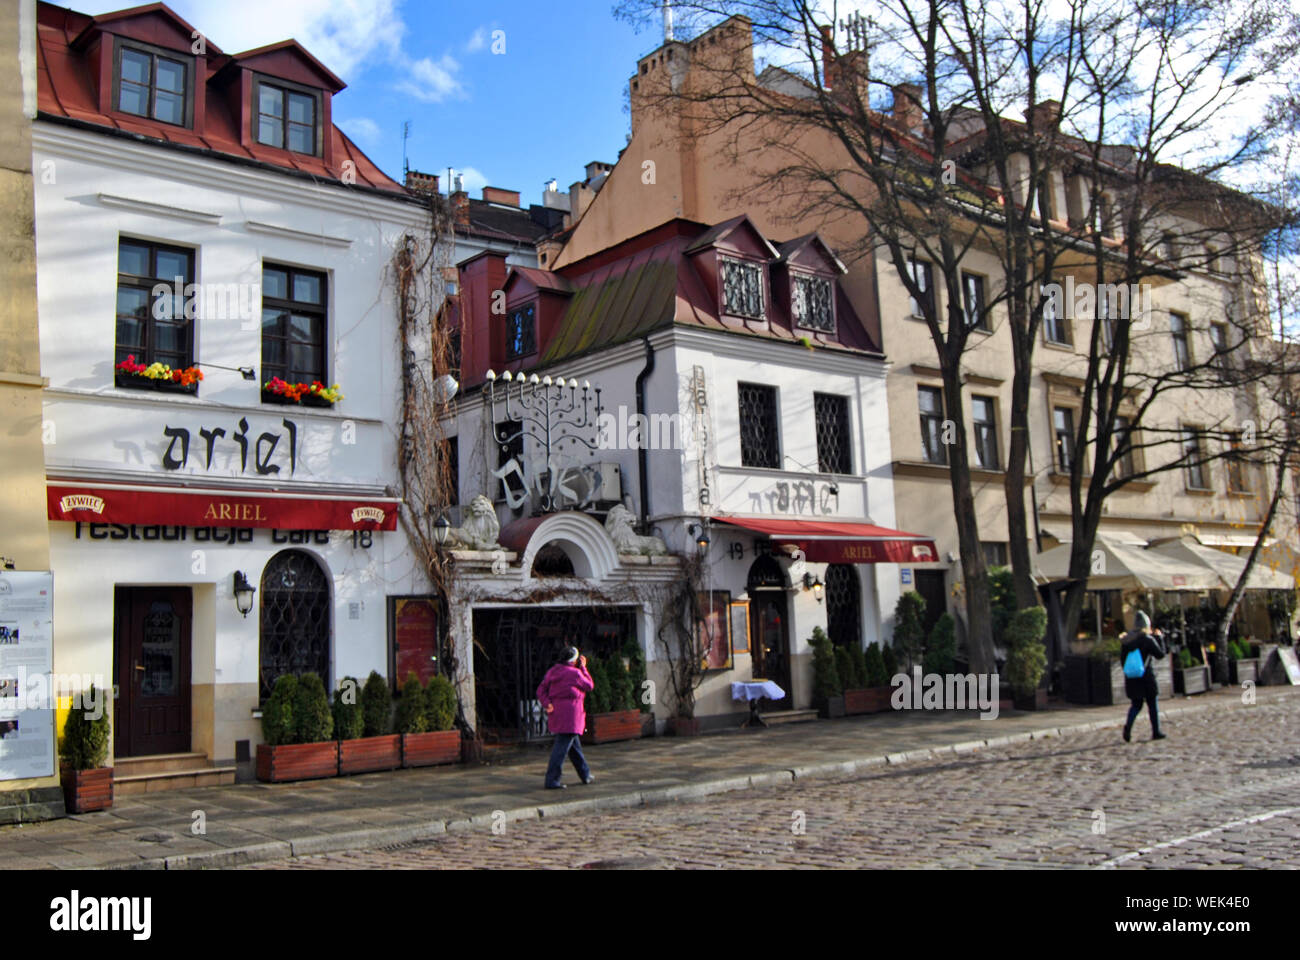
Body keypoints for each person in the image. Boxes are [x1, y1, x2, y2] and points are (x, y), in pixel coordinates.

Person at [536, 645, 595, 789]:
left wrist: (547, 703)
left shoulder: (553, 671)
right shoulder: (575, 673)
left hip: (557, 713)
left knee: (574, 747)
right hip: (572, 715)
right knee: (561, 749)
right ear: (574, 660)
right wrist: (584, 668)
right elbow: (589, 685)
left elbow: (541, 689)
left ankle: (585, 774)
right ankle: (552, 780)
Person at [1120, 611, 1167, 742]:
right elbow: (1160, 654)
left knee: (1136, 705)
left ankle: (1128, 728)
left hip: (1132, 676)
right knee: (1152, 704)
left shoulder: (1126, 640)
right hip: (1146, 676)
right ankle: (1156, 731)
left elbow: (1122, 660)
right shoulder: (1147, 639)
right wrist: (1160, 638)